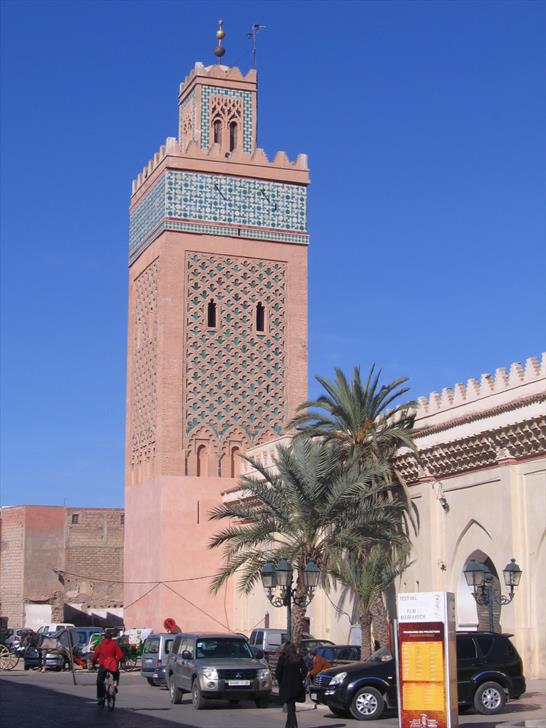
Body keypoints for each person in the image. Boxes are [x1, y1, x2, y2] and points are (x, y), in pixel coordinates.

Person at [275, 642, 308, 728]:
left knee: (291, 708)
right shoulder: (299, 658)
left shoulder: (283, 658)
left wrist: (280, 682)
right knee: (291, 706)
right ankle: (288, 726)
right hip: (296, 686)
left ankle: (294, 725)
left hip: (286, 686)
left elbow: (278, 673)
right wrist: (299, 678)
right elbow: (305, 671)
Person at [92, 629, 124, 706]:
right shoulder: (114, 644)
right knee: (116, 673)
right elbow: (120, 655)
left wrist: (93, 664)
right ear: (111, 637)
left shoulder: (101, 644)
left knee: (99, 681)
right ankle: (115, 684)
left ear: (104, 637)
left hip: (103, 665)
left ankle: (100, 698)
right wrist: (117, 661)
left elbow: (95, 655)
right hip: (112, 665)